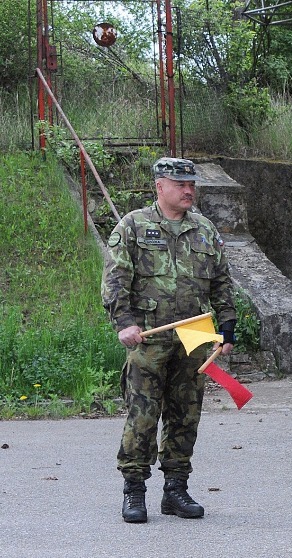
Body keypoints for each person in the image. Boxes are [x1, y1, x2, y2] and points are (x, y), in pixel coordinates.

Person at [102, 157, 237, 523]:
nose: (188, 189)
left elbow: (222, 282)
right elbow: (115, 279)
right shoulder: (134, 226)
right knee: (142, 414)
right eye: (180, 184)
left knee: (186, 412)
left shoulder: (205, 230)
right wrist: (123, 322)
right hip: (150, 332)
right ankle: (134, 490)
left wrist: (226, 327)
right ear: (160, 186)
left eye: (191, 184)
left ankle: (176, 489)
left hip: (194, 333)